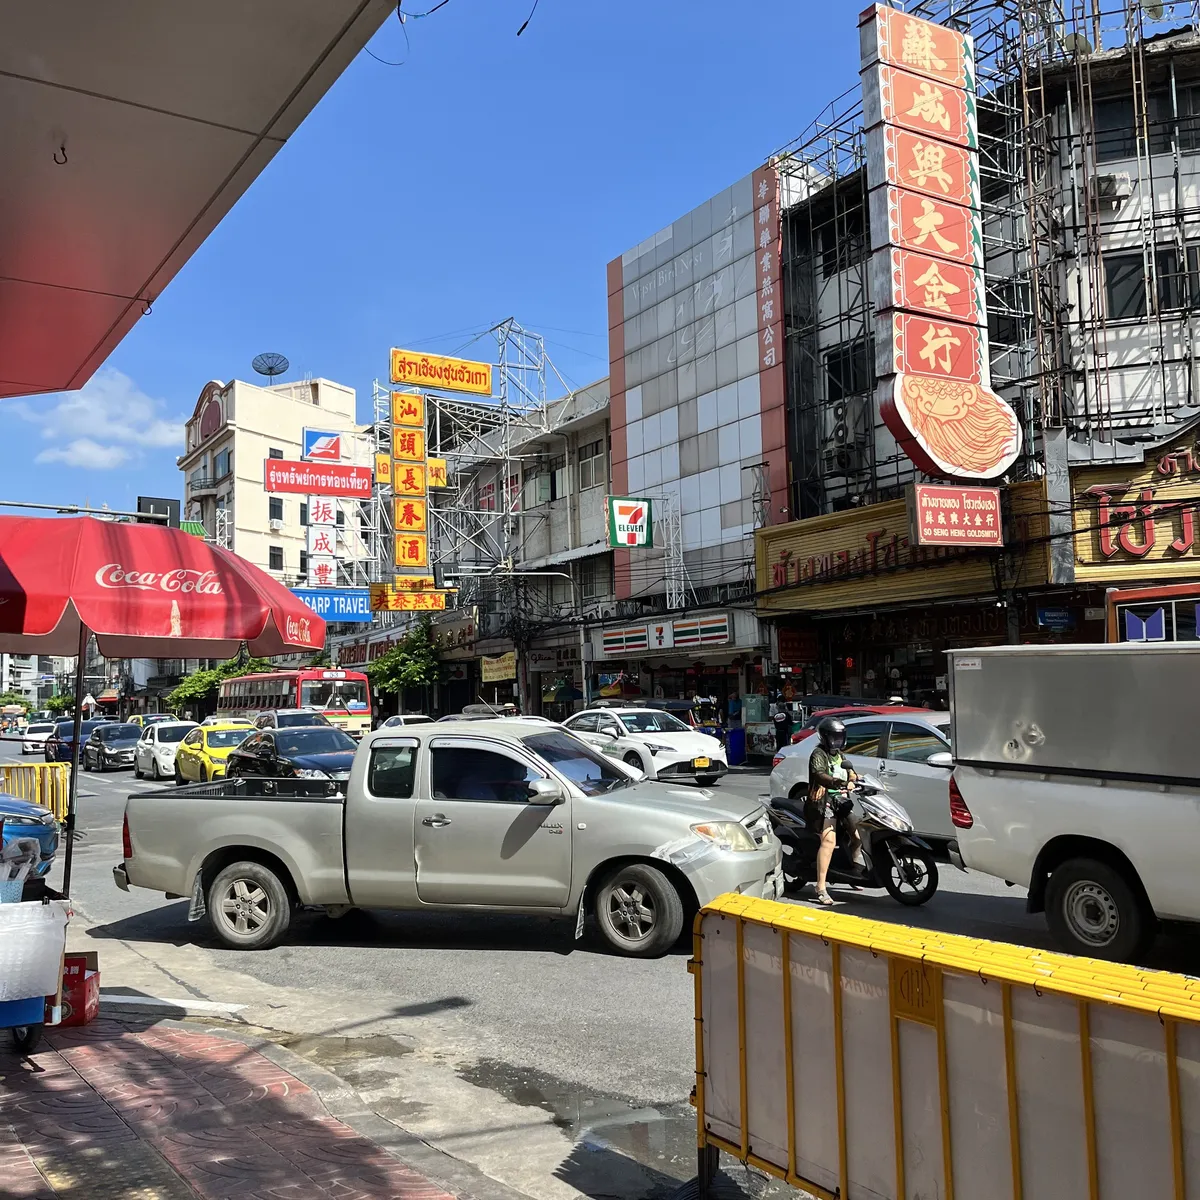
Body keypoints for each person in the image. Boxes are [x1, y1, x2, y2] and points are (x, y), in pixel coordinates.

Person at [805, 717, 865, 905]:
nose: (838, 741)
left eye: (840, 737)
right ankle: (820, 887)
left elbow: (850, 771)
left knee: (857, 836)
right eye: (834, 737)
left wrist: (857, 778)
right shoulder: (818, 754)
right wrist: (839, 783)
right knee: (829, 841)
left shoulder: (840, 755)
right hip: (825, 803)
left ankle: (853, 873)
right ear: (825, 737)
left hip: (842, 801)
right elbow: (819, 774)